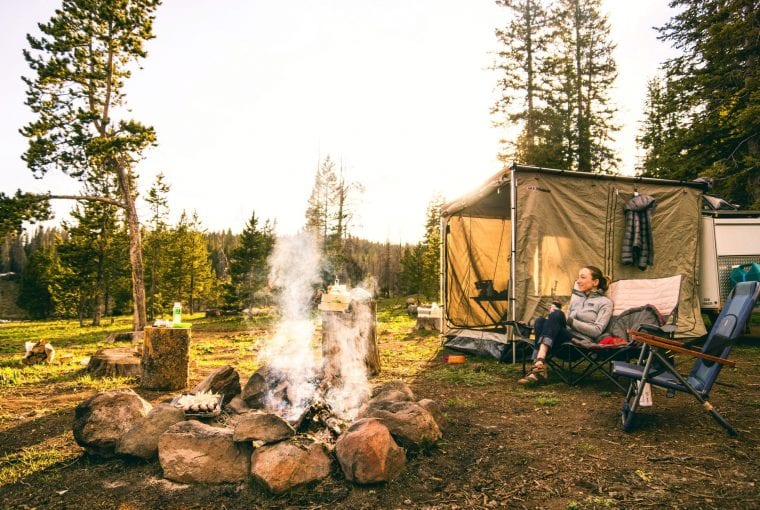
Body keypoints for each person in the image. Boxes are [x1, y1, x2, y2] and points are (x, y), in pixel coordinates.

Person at [518, 265, 613, 385]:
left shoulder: (605, 303)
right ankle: (539, 365)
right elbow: (561, 322)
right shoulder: (576, 302)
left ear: (595, 282)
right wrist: (553, 317)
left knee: (557, 315)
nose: (578, 281)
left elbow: (597, 331)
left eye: (582, 277)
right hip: (562, 342)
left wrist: (568, 320)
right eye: (578, 277)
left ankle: (538, 365)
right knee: (540, 321)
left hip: (580, 344)